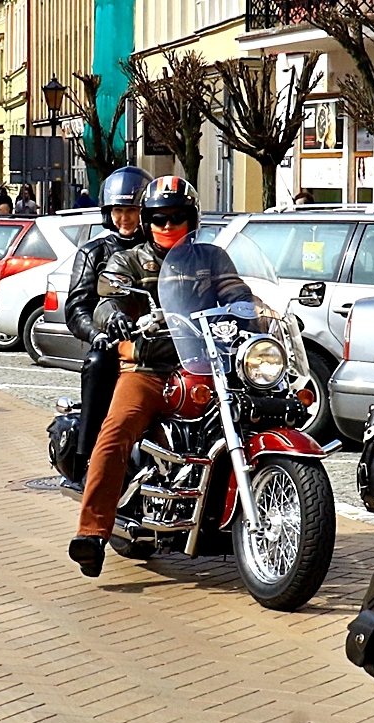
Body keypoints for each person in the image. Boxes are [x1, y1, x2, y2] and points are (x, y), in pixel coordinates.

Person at [68, 175, 247, 577]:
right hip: (148, 367)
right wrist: (113, 316)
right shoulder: (128, 260)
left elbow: (237, 293)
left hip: (204, 365)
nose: (168, 225)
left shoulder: (212, 259)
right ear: (147, 221)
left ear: (192, 219)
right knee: (116, 430)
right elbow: (107, 298)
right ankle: (91, 532)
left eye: (177, 217)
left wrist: (251, 312)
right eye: (159, 218)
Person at [60, 166, 152, 490]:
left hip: (160, 340)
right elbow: (77, 306)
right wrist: (96, 333)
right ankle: (87, 460)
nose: (125, 218)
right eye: (118, 211)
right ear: (108, 213)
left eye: (132, 210)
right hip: (114, 342)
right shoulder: (94, 252)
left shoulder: (159, 249)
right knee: (98, 364)